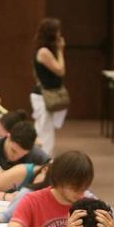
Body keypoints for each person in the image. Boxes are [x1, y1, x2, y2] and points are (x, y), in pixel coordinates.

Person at [0, 150, 94, 227]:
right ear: (59, 181)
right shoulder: (32, 201)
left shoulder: (88, 204)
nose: (81, 194)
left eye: (84, 189)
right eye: (74, 189)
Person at [31, 17, 67, 155]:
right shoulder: (44, 52)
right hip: (43, 95)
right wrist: (60, 50)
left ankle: (43, 158)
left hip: (45, 93)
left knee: (45, 129)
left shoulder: (44, 51)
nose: (59, 35)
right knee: (44, 131)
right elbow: (60, 70)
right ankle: (45, 161)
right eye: (57, 32)